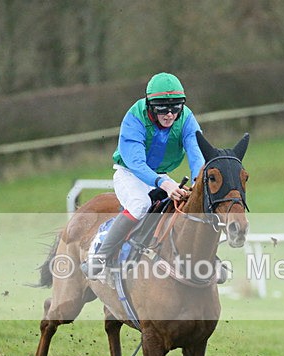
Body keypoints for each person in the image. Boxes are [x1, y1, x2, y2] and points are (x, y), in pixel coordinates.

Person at [88, 72, 205, 280]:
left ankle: (207, 260)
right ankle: (100, 257)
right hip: (130, 173)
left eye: (175, 108)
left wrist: (198, 184)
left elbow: (196, 154)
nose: (170, 115)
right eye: (163, 109)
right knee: (140, 204)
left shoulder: (186, 117)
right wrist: (164, 183)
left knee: (189, 206)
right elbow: (136, 163)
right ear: (150, 106)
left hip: (161, 175)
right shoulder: (134, 117)